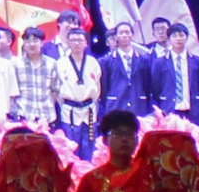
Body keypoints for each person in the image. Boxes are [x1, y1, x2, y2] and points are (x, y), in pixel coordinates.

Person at [54, 23, 102, 157]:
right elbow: (57, 90)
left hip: (89, 110)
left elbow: (98, 88)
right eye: (73, 40)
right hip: (69, 111)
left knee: (89, 149)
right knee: (70, 149)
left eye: (80, 40)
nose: (76, 43)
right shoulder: (60, 63)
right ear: (67, 42)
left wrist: (89, 101)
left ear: (86, 43)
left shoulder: (93, 62)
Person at [97, 22, 156, 118]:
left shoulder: (144, 60)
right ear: (115, 36)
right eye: (121, 33)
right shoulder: (105, 61)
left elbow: (147, 85)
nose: (124, 35)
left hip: (138, 105)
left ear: (132, 35)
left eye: (127, 32)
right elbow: (104, 88)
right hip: (116, 106)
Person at [155, 25, 199, 124]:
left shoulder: (196, 60)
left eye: (181, 35)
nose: (178, 39)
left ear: (186, 38)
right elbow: (156, 87)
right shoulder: (160, 62)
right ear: (169, 39)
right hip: (169, 108)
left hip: (192, 110)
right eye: (174, 36)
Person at [12, 27, 56, 127]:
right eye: (28, 41)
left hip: (47, 115)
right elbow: (13, 91)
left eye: (35, 41)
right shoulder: (16, 64)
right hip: (23, 114)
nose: (31, 44)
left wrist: (49, 104)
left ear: (42, 43)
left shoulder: (52, 64)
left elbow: (55, 90)